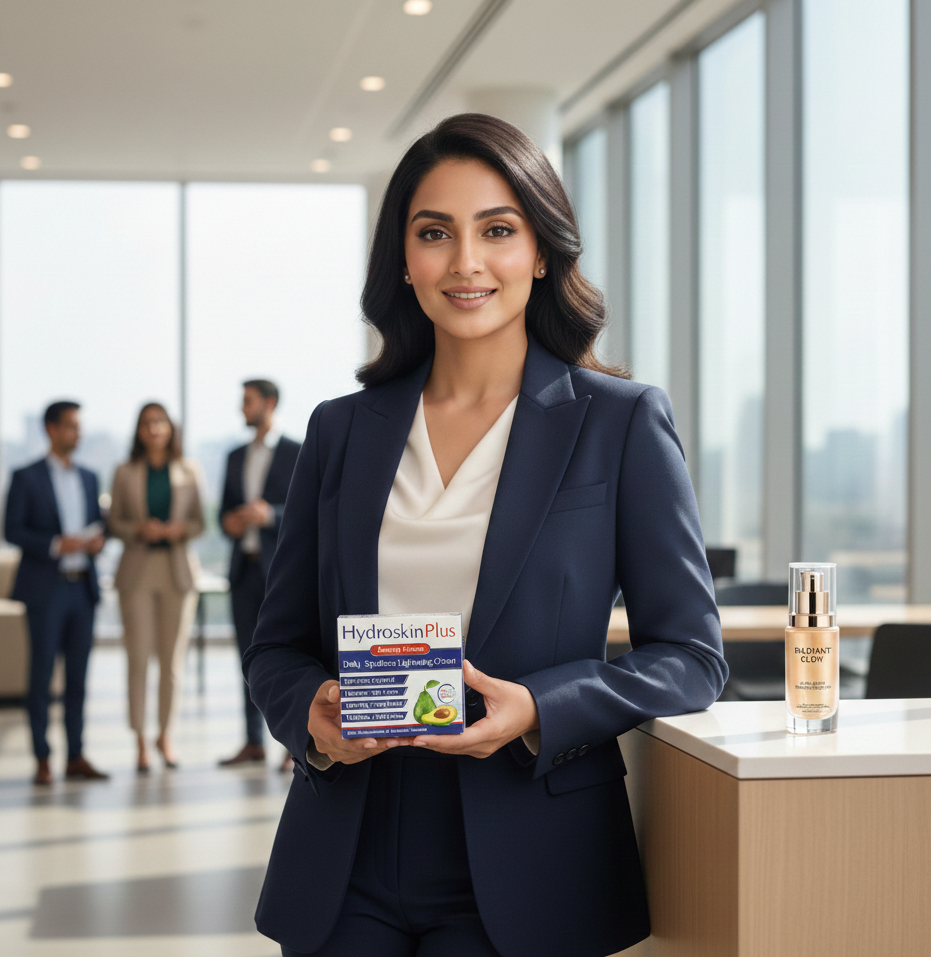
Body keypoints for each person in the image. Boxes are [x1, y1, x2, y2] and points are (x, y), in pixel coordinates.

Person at [244, 114, 728, 957]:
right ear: (404, 258)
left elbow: (691, 655)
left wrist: (540, 706)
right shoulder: (340, 431)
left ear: (541, 251)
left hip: (528, 850)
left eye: (497, 230)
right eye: (435, 233)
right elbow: (278, 644)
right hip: (347, 854)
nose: (465, 262)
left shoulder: (618, 424)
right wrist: (311, 714)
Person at [4, 401, 109, 786]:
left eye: (79, 427)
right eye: (70, 427)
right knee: (42, 677)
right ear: (50, 429)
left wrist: (97, 541)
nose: (77, 434)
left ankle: (76, 756)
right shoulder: (25, 476)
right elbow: (11, 530)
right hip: (45, 591)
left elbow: (100, 524)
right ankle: (42, 758)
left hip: (82, 589)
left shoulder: (89, 477)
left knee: (78, 680)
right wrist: (55, 545)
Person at [108, 403, 204, 772]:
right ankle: (139, 741)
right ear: (139, 430)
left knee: (171, 662)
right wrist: (138, 530)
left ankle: (165, 734)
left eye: (160, 421)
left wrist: (179, 530)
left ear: (170, 428)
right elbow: (114, 521)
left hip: (177, 572)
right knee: (138, 659)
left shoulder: (189, 470)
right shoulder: (124, 471)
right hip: (137, 571)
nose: (154, 428)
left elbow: (199, 521)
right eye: (147, 423)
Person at [218, 380, 301, 768]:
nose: (241, 408)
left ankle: (292, 743)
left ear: (269, 403)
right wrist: (231, 521)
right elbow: (223, 514)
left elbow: (305, 511)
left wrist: (270, 515)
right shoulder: (235, 456)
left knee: (290, 656)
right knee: (246, 660)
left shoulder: (296, 452)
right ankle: (252, 742)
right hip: (243, 571)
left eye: (247, 401)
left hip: (281, 572)